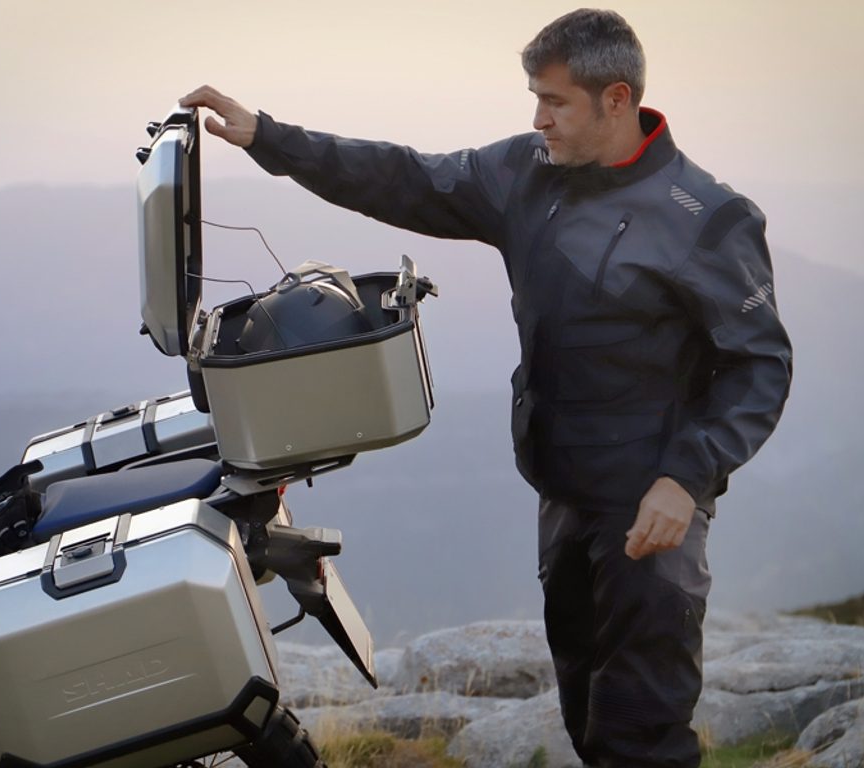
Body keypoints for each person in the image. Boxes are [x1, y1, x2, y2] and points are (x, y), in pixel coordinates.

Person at [180, 8, 793, 766]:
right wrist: (269, 137)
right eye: (535, 98)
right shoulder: (526, 173)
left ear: (617, 99)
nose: (539, 120)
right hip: (562, 494)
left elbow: (760, 365)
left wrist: (685, 478)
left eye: (555, 102)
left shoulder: (707, 219)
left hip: (653, 507)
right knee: (588, 719)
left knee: (642, 734)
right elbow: (404, 177)